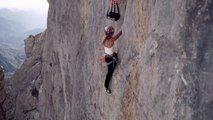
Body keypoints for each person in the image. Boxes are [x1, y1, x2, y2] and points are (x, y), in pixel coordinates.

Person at [103, 26, 122, 94]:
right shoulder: (111, 40)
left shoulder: (105, 39)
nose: (112, 34)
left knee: (115, 55)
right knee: (110, 73)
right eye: (111, 33)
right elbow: (117, 36)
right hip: (109, 59)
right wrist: (120, 32)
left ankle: (113, 59)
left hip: (106, 56)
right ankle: (106, 87)